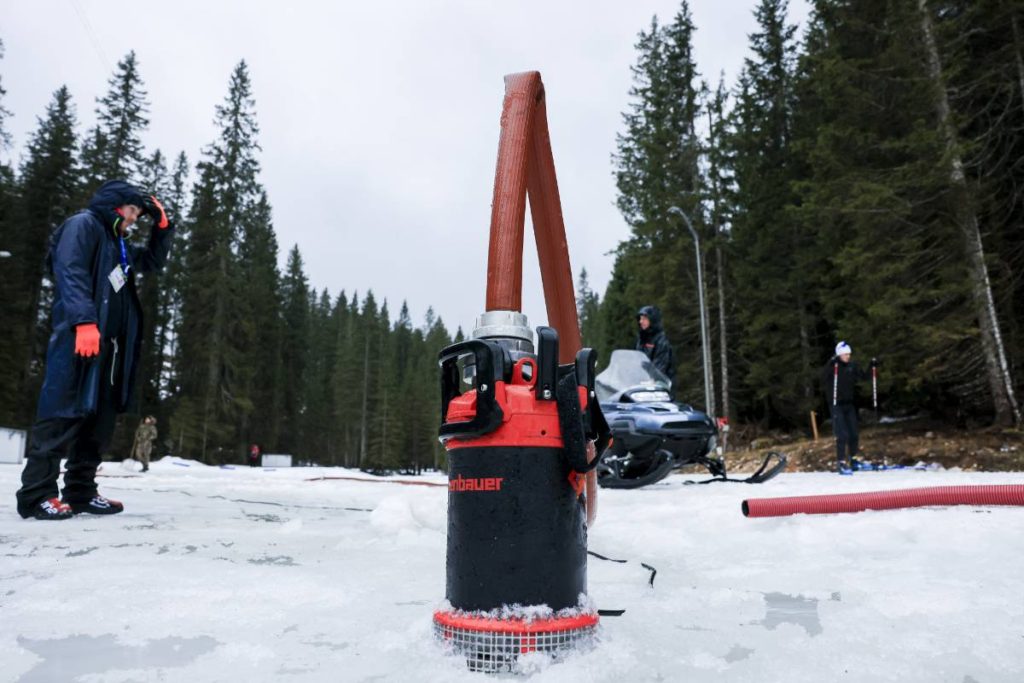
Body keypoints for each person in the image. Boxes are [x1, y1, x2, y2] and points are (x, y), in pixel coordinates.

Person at [15, 180, 174, 519]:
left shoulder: (117, 244)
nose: (134, 219)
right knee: (61, 412)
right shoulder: (83, 225)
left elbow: (151, 262)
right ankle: (36, 495)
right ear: (115, 205)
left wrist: (163, 228)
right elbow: (70, 271)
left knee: (99, 421)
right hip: (79, 338)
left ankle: (81, 491)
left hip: (110, 349)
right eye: (132, 210)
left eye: (139, 214)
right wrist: (84, 321)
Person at [821, 341, 877, 474]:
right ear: (839, 355)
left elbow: (864, 377)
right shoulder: (834, 366)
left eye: (849, 354)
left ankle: (854, 460)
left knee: (854, 433)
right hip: (836, 404)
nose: (848, 356)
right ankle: (841, 462)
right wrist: (830, 363)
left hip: (849, 404)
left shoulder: (852, 366)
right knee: (842, 434)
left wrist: (872, 366)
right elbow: (823, 378)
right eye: (845, 354)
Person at [635, 305, 675, 383]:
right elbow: (637, 361)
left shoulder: (661, 341)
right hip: (644, 382)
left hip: (661, 384)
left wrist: (651, 379)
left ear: (652, 320)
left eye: (644, 319)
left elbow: (660, 367)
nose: (641, 321)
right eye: (640, 318)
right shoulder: (641, 339)